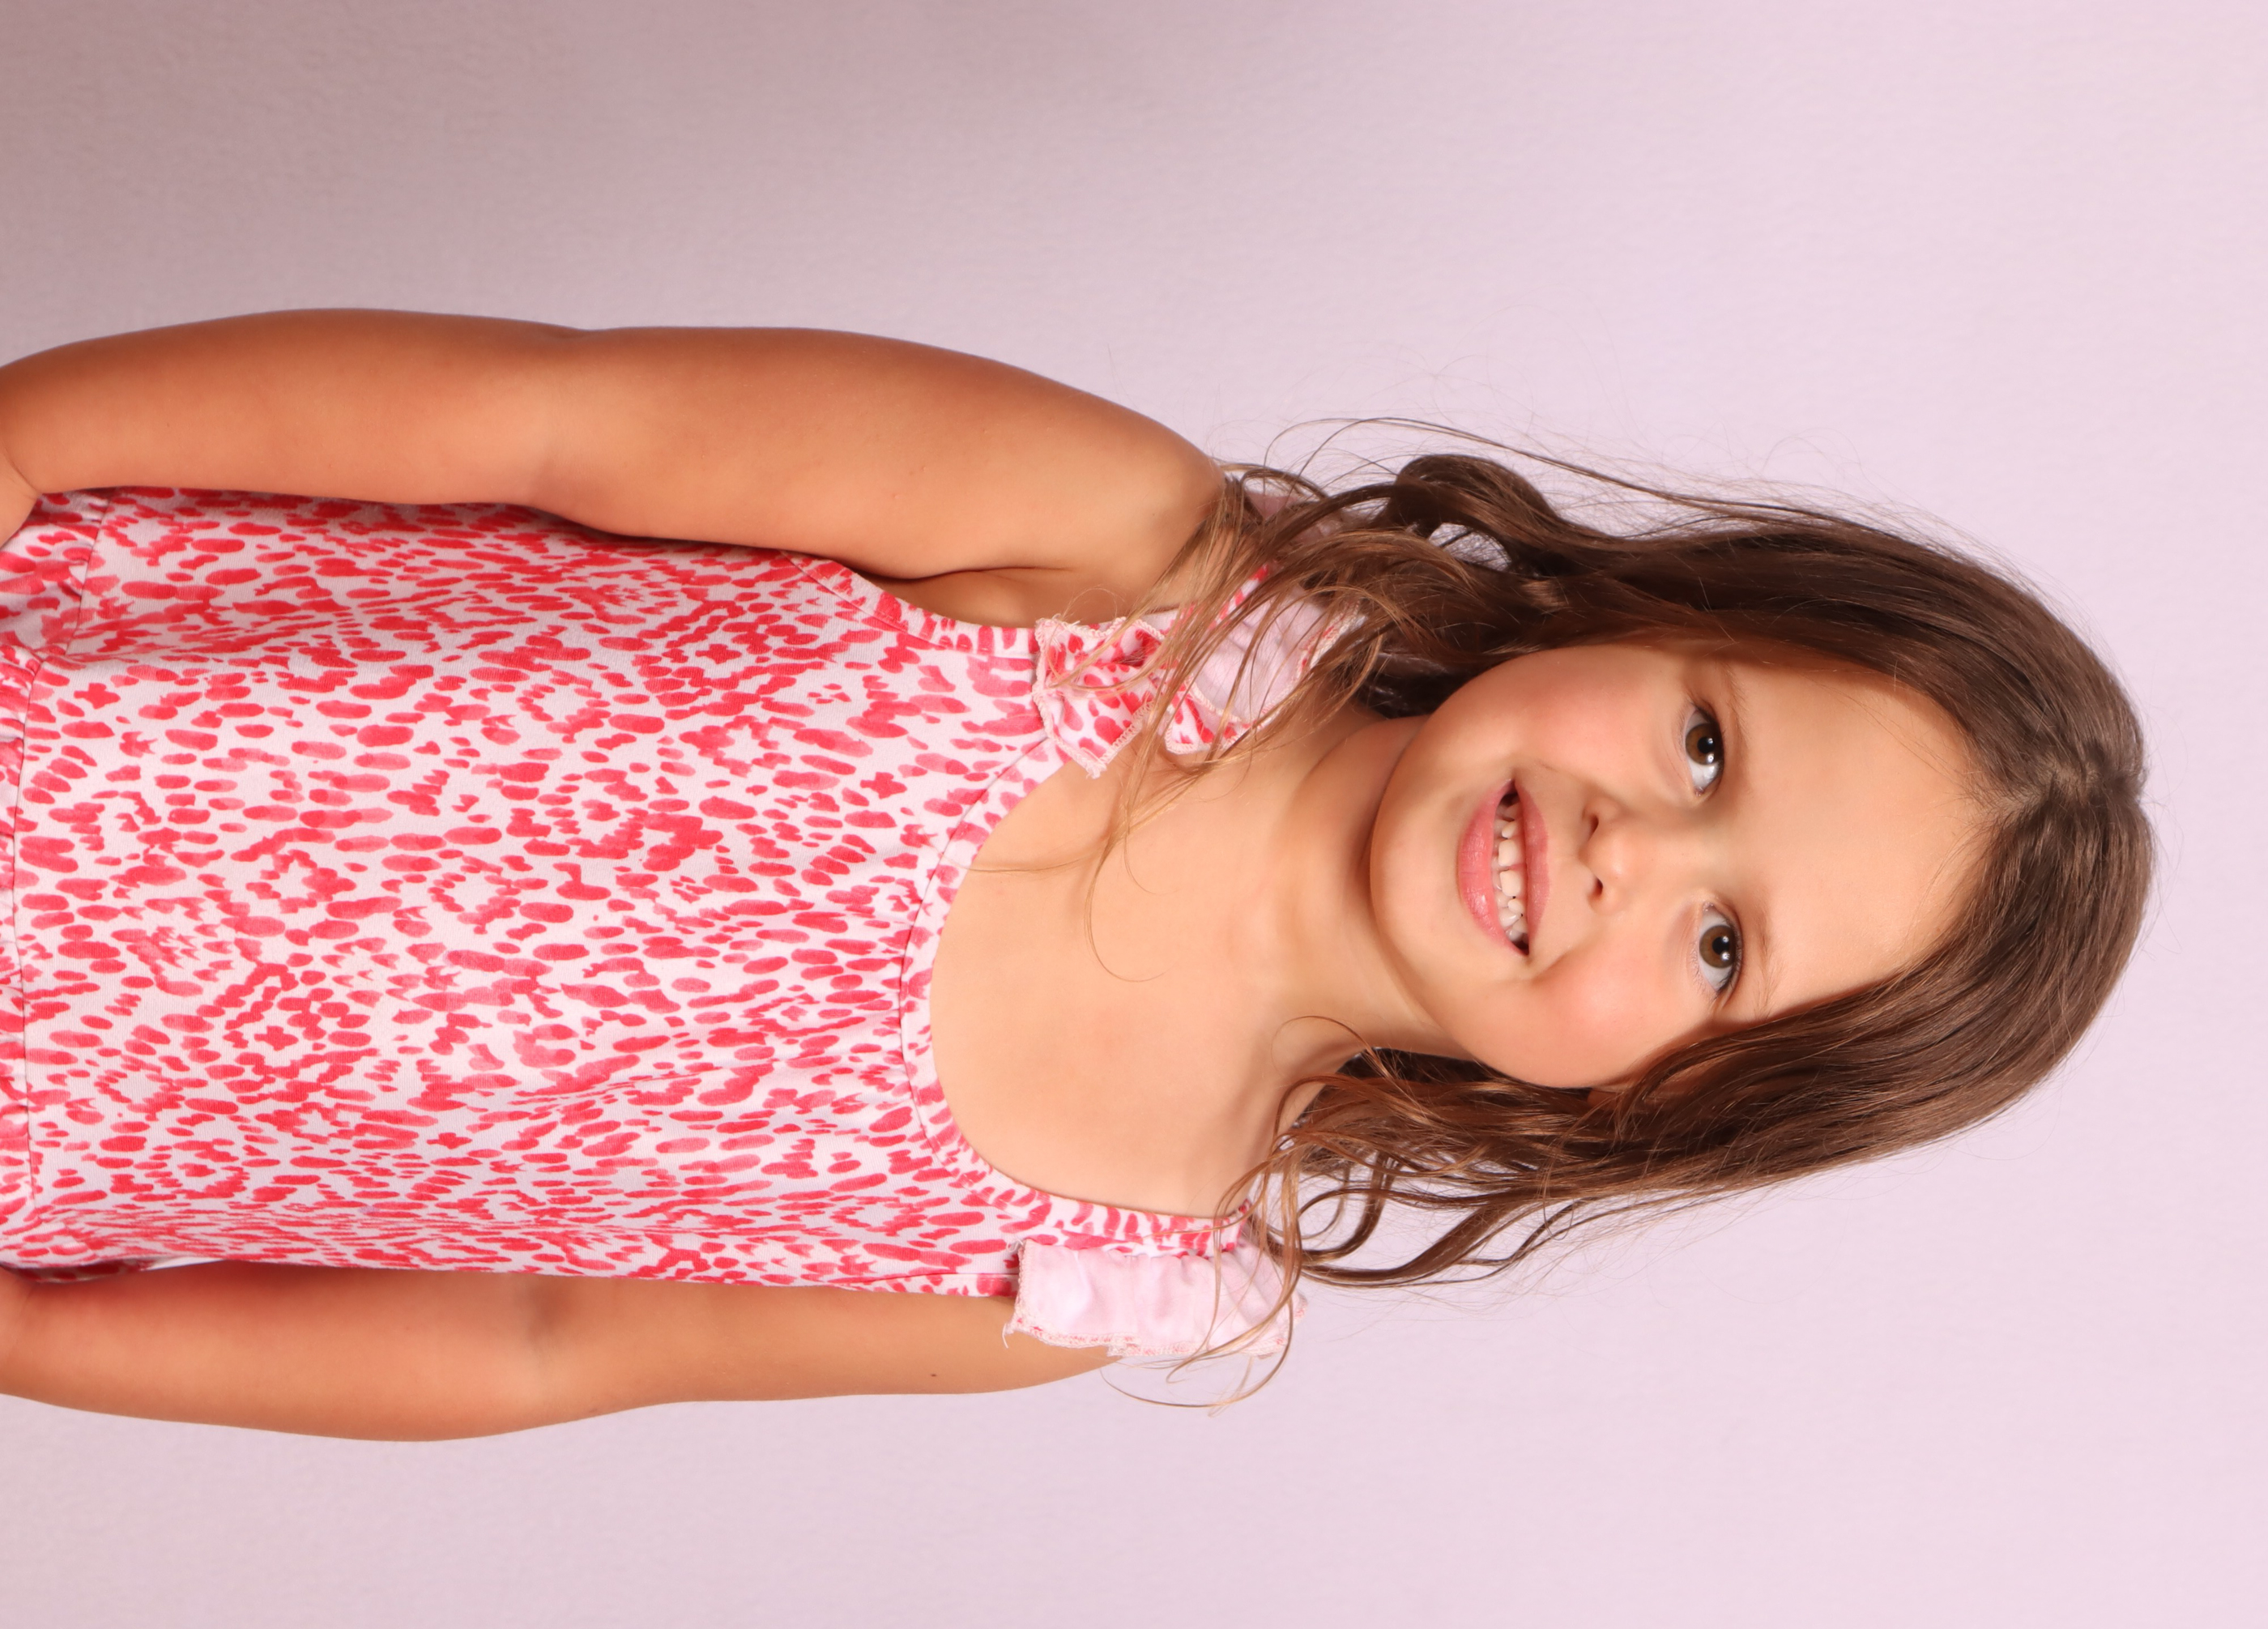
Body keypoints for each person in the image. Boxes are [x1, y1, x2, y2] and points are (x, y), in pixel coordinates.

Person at [0, 312, 2149, 1438]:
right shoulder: (1115, 556)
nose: (1629, 850)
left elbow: (544, 1341)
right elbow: (536, 417)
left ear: (1670, 1104)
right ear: (1651, 616)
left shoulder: (1077, 1275)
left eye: (1721, 941)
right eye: (1702, 746)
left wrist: (42, 1351)